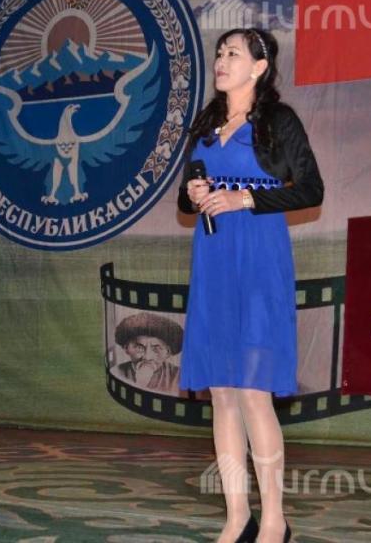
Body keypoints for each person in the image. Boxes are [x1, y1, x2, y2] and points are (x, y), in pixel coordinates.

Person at [178, 28, 323, 543]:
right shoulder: (206, 123)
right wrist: (195, 192)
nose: (221, 60)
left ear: (259, 67)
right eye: (219, 53)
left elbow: (311, 189)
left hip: (259, 259)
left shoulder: (279, 121)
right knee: (222, 393)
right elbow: (184, 200)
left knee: (253, 392)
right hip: (214, 261)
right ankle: (237, 516)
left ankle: (275, 521)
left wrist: (245, 199)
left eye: (233, 54)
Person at [113, 312, 183, 394]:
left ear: (168, 353)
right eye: (139, 348)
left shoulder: (179, 376)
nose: (147, 357)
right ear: (126, 348)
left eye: (156, 349)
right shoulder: (116, 373)